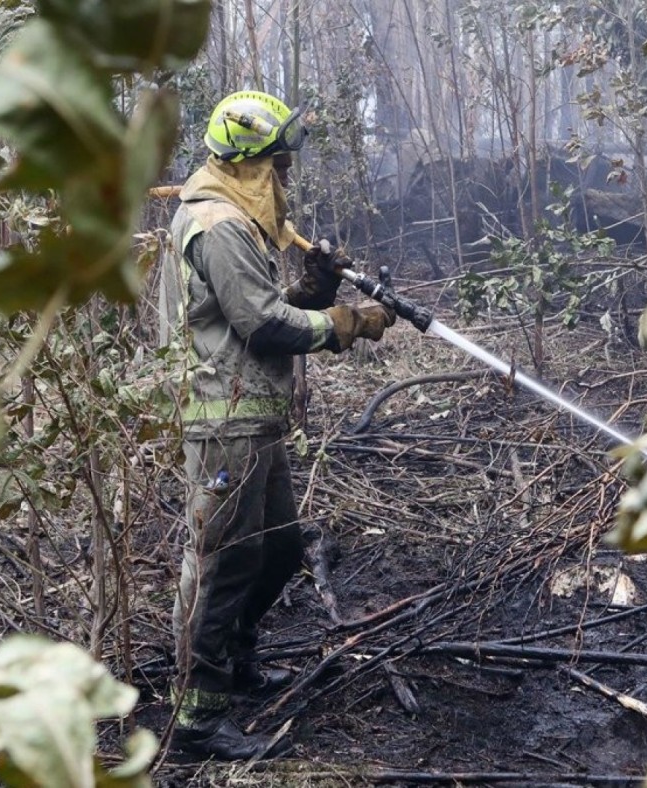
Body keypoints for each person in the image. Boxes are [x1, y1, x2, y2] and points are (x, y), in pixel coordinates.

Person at [164, 90, 397, 760]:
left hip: (252, 413)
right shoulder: (222, 226)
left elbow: (261, 311)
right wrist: (344, 324)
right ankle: (197, 721)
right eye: (278, 165)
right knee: (222, 561)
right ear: (249, 165)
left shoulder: (238, 220)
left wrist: (319, 289)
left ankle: (235, 659)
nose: (286, 178)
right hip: (224, 418)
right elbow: (263, 325)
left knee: (279, 551)